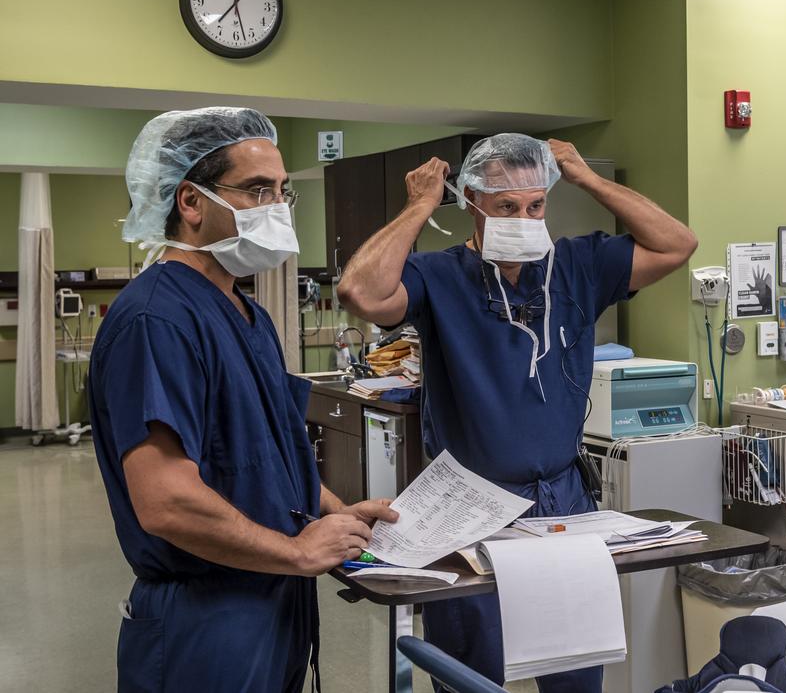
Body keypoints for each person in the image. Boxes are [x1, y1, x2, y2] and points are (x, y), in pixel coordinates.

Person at [337, 133, 697, 691]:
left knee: (575, 666)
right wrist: (419, 205)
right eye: (506, 206)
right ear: (472, 203)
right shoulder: (439, 275)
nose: (524, 220)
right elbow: (360, 292)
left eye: (535, 206)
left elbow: (678, 245)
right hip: (470, 504)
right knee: (469, 671)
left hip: (562, 500)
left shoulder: (577, 265)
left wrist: (587, 178)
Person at [89, 107, 398, 693]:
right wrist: (297, 552)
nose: (277, 207)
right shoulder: (157, 320)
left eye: (282, 192)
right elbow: (167, 502)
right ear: (191, 202)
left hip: (270, 596)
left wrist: (336, 513)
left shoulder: (248, 313)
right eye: (258, 190)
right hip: (207, 617)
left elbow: (265, 455)